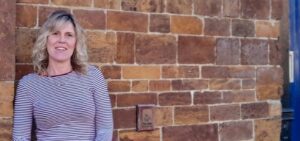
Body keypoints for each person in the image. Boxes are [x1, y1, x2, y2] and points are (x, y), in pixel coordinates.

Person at [13, 10, 113, 141]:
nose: (62, 40)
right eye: (55, 33)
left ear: (76, 42)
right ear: (46, 39)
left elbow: (105, 129)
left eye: (69, 35)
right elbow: (20, 136)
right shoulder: (28, 85)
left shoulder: (92, 76)